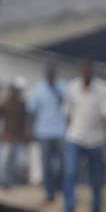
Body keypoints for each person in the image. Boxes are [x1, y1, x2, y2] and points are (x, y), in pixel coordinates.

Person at [61, 59, 106, 212]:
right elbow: (67, 114)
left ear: (92, 71)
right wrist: (66, 135)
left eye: (89, 70)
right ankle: (68, 209)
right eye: (84, 70)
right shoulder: (72, 88)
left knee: (96, 180)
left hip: (96, 140)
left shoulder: (102, 89)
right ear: (81, 71)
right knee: (70, 174)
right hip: (75, 137)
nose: (86, 73)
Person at [27, 66, 68, 203]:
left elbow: (69, 107)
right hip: (43, 132)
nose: (50, 77)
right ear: (45, 75)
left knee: (62, 163)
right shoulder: (38, 89)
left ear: (55, 74)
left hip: (61, 131)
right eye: (48, 74)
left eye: (53, 74)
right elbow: (32, 111)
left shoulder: (63, 87)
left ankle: (60, 189)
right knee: (46, 164)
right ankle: (49, 193)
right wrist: (31, 131)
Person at [0, 79, 30, 186]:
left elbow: (28, 120)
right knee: (4, 162)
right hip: (7, 137)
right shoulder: (5, 103)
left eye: (15, 90)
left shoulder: (22, 104)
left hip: (19, 138)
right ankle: (5, 182)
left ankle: (16, 182)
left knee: (19, 163)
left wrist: (27, 135)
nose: (14, 92)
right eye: (12, 90)